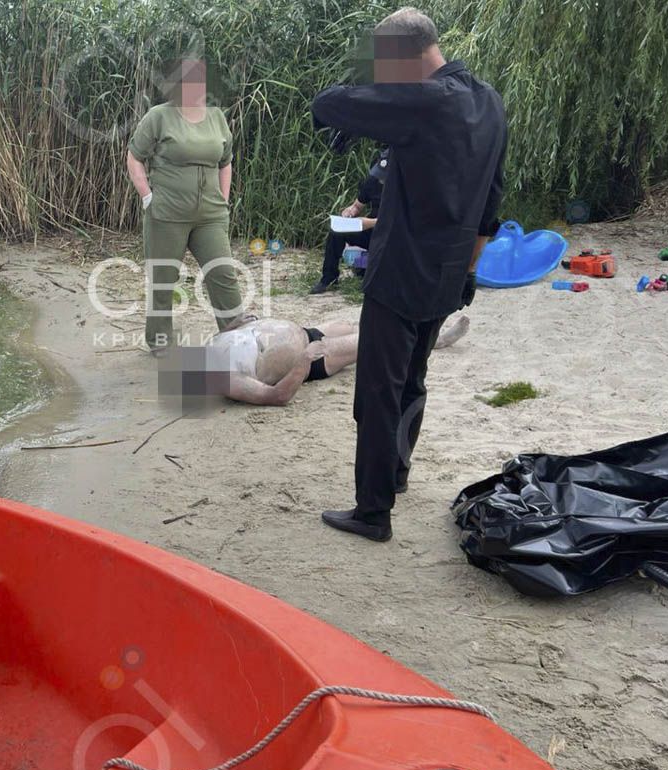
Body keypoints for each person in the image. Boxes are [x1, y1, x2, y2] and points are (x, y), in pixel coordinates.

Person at [310, 7, 507, 542]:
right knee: (414, 377)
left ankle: (372, 512)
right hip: (447, 272)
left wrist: (352, 112)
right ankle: (395, 473)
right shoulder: (489, 103)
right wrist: (469, 272)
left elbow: (330, 102)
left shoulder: (425, 99)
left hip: (400, 271)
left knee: (379, 388)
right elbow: (491, 202)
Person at [127, 58, 245, 352]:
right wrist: (147, 196)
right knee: (164, 279)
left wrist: (224, 199)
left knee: (223, 274)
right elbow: (134, 156)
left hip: (211, 215)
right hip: (166, 213)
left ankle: (237, 338)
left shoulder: (216, 117)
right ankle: (160, 342)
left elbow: (225, 161)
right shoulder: (159, 116)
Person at [191, 314, 468, 406]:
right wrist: (304, 359)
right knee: (374, 340)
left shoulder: (209, 348)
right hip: (314, 357)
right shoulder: (229, 380)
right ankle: (433, 340)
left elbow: (228, 337)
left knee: (355, 324)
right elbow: (276, 396)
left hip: (305, 331)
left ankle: (417, 333)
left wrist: (235, 324)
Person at [310, 148, 389, 294]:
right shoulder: (372, 181)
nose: (381, 179)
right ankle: (329, 279)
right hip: (371, 231)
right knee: (337, 232)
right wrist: (350, 212)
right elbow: (357, 205)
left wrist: (367, 223)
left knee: (378, 274)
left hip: (394, 236)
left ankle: (369, 270)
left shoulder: (407, 188)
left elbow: (399, 220)